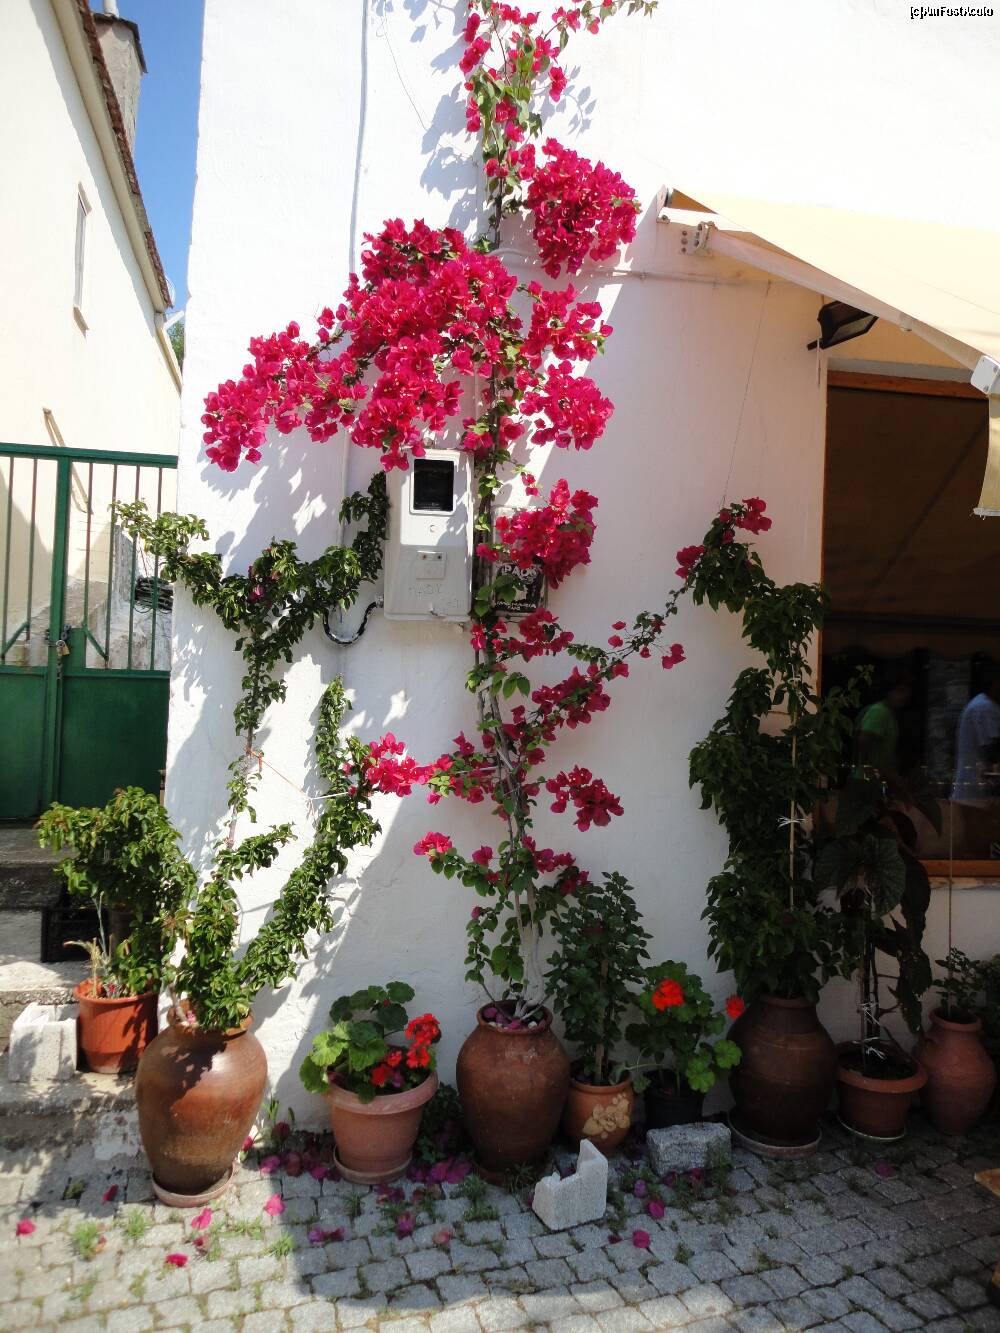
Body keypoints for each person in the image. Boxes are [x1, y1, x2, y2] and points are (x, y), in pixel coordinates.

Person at [951, 665, 1000, 856]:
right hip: (978, 790)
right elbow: (991, 748)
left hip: (976, 789)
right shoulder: (984, 707)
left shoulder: (983, 706)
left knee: (978, 842)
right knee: (980, 843)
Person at [853, 670, 912, 802]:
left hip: (878, 781)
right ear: (889, 692)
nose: (903, 696)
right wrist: (867, 769)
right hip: (866, 783)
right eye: (899, 691)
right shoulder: (879, 712)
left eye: (905, 691)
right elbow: (864, 738)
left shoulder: (890, 714)